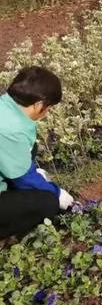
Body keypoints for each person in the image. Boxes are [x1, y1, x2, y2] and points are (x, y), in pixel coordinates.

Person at [0, 66, 74, 241]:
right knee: (46, 202)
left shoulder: (6, 106)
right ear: (39, 104)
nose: (47, 113)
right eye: (48, 108)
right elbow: (24, 179)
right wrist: (56, 193)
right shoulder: (10, 131)